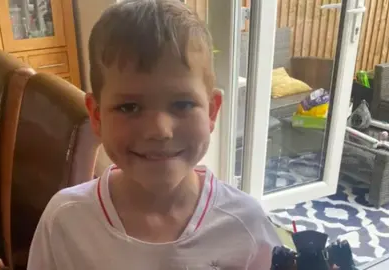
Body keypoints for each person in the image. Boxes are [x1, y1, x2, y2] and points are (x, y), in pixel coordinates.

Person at [27, 0, 281, 269]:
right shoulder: (66, 221)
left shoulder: (246, 225)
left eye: (182, 104)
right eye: (129, 107)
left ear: (211, 111)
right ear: (97, 116)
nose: (159, 130)